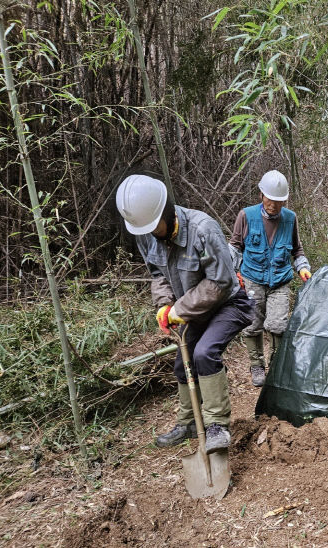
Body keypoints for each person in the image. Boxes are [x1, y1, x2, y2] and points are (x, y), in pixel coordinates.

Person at [116, 174, 255, 452]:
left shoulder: (203, 229)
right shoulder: (146, 234)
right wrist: (165, 304)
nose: (154, 233)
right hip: (193, 310)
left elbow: (221, 282)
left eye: (157, 226)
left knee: (204, 354)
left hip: (229, 303)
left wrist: (180, 308)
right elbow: (157, 273)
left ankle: (217, 425)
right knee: (183, 363)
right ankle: (189, 422)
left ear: (166, 210)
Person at [229, 170, 311, 387]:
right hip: (252, 279)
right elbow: (235, 248)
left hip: (280, 281)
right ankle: (257, 365)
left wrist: (302, 267)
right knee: (252, 324)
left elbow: (297, 250)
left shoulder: (290, 219)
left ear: (284, 200)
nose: (273, 205)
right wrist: (231, 274)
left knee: (277, 325)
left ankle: (276, 366)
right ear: (261, 195)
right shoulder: (246, 216)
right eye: (269, 199)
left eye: (278, 201)